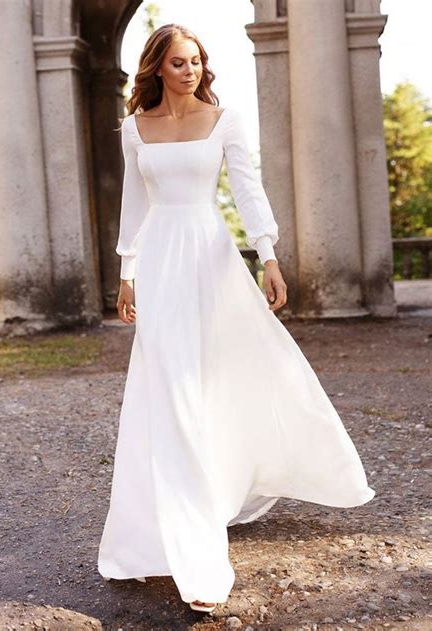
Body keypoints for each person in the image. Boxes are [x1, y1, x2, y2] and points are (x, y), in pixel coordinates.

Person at [97, 23, 375, 614]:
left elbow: (248, 191)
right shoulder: (135, 129)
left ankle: (214, 497)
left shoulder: (224, 120)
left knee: (219, 382)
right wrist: (127, 270)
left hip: (212, 260)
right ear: (156, 68)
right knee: (167, 388)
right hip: (162, 268)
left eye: (196, 61)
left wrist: (269, 256)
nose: (190, 71)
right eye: (178, 63)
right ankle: (175, 537)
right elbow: (135, 202)